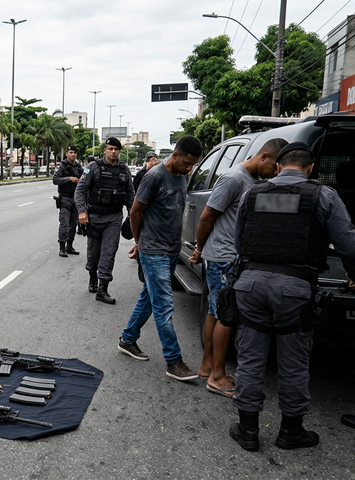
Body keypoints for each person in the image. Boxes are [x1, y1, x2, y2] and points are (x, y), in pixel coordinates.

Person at [229, 142, 355, 451]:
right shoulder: (322, 195)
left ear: (278, 166)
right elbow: (348, 243)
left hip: (250, 284)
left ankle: (247, 431)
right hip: (295, 289)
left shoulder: (252, 194)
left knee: (250, 359)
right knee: (294, 361)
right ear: (311, 168)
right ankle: (291, 432)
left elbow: (238, 241)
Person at [188, 138, 287, 399]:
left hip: (230, 257)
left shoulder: (257, 182)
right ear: (264, 157)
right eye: (274, 167)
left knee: (216, 311)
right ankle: (217, 376)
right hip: (223, 257)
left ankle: (207, 366)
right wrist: (199, 250)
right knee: (227, 315)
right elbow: (207, 215)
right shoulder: (234, 178)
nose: (275, 173)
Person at [118, 135, 203, 382]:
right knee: (164, 306)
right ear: (174, 155)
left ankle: (127, 339)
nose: (190, 168)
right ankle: (173, 361)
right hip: (153, 251)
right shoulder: (154, 177)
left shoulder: (182, 175)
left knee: (149, 297)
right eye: (187, 163)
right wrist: (138, 242)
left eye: (193, 165)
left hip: (171, 249)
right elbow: (135, 212)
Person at [75, 137, 135, 302]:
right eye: (110, 149)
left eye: (116, 149)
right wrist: (82, 211)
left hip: (114, 218)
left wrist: (132, 214)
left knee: (109, 252)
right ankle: (93, 276)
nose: (113, 152)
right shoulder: (92, 168)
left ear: (119, 151)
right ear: (105, 150)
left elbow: (130, 195)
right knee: (93, 253)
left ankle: (103, 289)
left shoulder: (124, 170)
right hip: (94, 217)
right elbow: (80, 191)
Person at [53, 145, 84, 258]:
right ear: (66, 154)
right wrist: (69, 179)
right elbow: (55, 180)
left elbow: (84, 179)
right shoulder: (62, 166)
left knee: (73, 225)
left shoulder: (78, 167)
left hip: (76, 198)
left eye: (74, 153)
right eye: (71, 152)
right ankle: (62, 247)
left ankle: (69, 246)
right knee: (64, 224)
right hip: (65, 198)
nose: (73, 154)